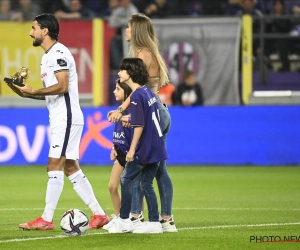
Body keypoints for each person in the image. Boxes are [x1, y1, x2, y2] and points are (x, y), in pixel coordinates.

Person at [4, 13, 109, 230]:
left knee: (54, 165)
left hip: (66, 116)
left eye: (34, 28)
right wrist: (28, 94)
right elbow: (52, 92)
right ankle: (99, 214)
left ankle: (46, 219)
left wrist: (34, 90)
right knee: (70, 167)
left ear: (45, 31)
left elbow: (62, 86)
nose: (30, 32)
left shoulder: (59, 52)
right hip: (62, 116)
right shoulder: (47, 56)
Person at [108, 13, 177, 233]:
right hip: (159, 111)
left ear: (135, 30)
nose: (125, 31)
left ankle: (137, 216)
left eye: (128, 27)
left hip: (151, 112)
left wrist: (122, 110)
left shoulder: (143, 54)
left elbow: (140, 92)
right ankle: (165, 219)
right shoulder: (147, 53)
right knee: (159, 169)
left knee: (139, 165)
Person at [108, 58, 167, 234]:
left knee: (126, 179)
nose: (119, 73)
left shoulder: (137, 96)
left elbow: (139, 124)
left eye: (122, 70)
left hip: (146, 148)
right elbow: (143, 118)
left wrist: (132, 149)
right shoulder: (146, 92)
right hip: (157, 146)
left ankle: (124, 220)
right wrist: (122, 115)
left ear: (130, 73)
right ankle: (155, 223)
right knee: (146, 184)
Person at [108, 0, 138, 69]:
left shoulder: (133, 9)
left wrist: (118, 20)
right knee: (113, 43)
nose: (125, 2)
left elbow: (134, 22)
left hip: (130, 39)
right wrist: (126, 20)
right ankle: (119, 69)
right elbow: (111, 23)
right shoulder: (118, 10)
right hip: (119, 37)